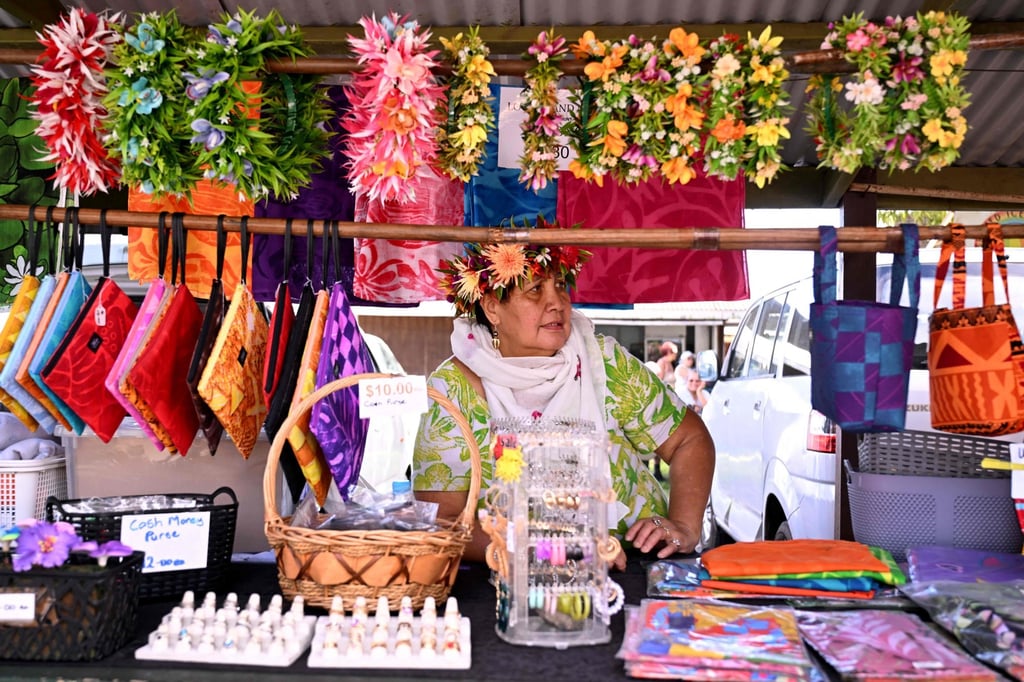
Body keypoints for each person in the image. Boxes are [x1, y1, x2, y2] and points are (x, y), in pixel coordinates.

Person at [412, 236, 715, 570]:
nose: (557, 303)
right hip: (512, 582)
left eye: (560, 286)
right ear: (492, 307)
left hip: (634, 567)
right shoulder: (452, 390)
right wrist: (552, 551)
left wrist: (685, 525)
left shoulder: (605, 363)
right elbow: (443, 521)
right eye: (535, 290)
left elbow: (689, 439)